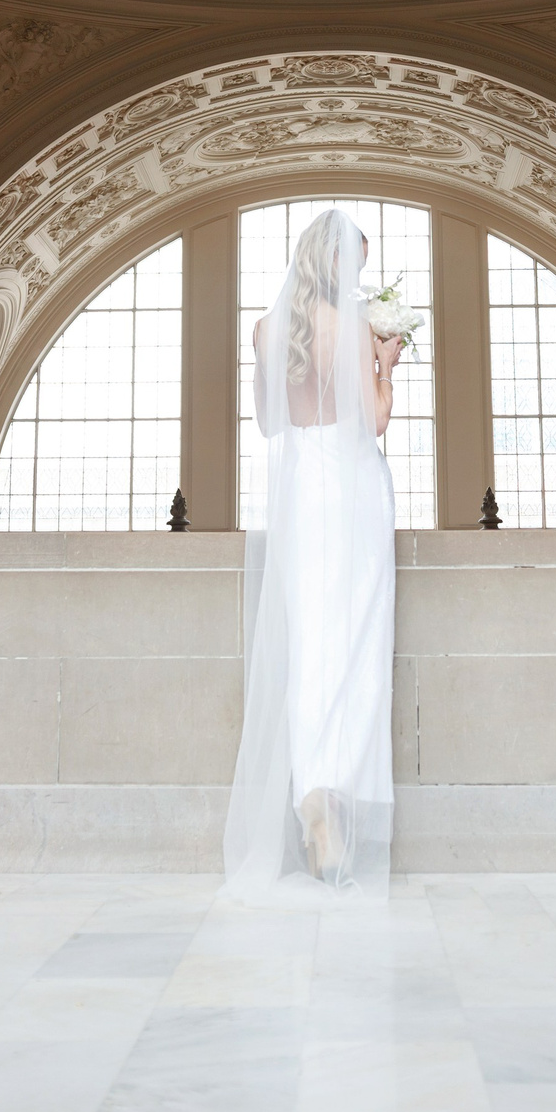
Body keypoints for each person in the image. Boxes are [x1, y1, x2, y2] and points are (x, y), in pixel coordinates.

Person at [223, 209, 403, 895]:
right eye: (356, 260)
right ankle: (335, 798)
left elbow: (270, 422)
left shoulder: (269, 329)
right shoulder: (354, 329)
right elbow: (375, 419)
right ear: (336, 264)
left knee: (310, 646)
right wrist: (385, 365)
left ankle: (312, 798)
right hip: (353, 489)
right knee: (355, 645)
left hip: (302, 493)